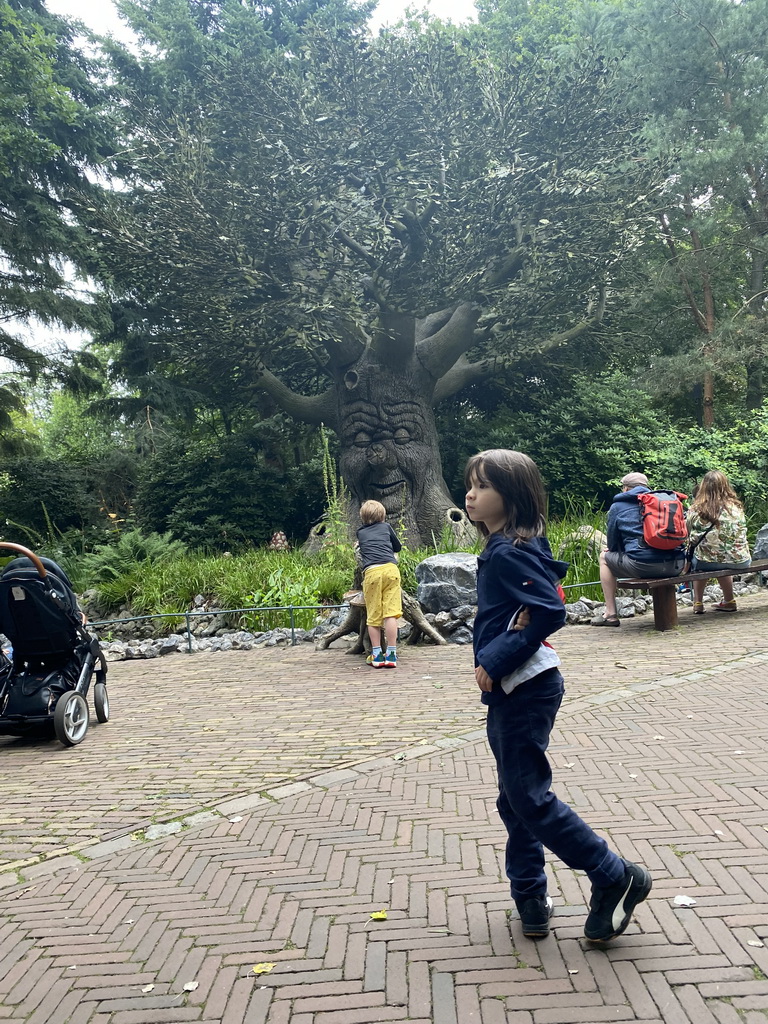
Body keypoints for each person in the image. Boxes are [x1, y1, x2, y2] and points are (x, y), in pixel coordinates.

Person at [465, 449, 652, 942]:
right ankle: (530, 896)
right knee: (515, 797)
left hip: (524, 684)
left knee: (526, 795)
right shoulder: (514, 543)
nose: (470, 494)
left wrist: (496, 657)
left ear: (513, 495)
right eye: (471, 485)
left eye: (482, 486)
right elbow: (547, 586)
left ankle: (614, 874)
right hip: (520, 685)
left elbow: (549, 607)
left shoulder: (506, 550)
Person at [591, 471, 685, 627]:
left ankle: (610, 613)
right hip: (676, 564)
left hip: (643, 565)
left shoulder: (618, 506)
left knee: (603, 557)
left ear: (626, 489)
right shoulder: (665, 502)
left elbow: (613, 543)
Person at [686, 471, 751, 614]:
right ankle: (729, 600)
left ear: (703, 487)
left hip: (705, 562)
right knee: (723, 557)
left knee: (704, 560)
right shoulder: (736, 507)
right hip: (740, 559)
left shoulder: (697, 508)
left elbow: (688, 532)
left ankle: (698, 603)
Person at [356, 499, 402, 668]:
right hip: (391, 570)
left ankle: (376, 655)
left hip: (372, 573)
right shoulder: (386, 527)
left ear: (363, 517)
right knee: (391, 614)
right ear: (382, 516)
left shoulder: (360, 532)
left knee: (374, 616)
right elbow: (398, 547)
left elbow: (363, 549)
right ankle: (391, 655)